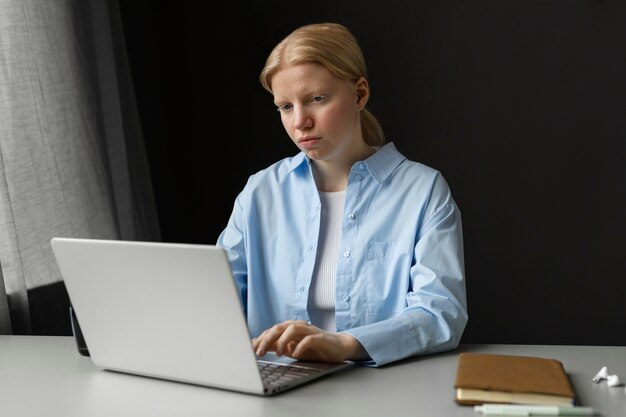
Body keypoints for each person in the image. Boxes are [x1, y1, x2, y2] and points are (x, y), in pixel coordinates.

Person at [216, 22, 467, 367]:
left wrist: (345, 344)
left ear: (360, 94)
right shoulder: (259, 192)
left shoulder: (422, 191)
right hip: (276, 384)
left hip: (379, 388)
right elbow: (213, 299)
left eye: (316, 99)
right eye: (285, 107)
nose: (300, 121)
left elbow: (441, 313)